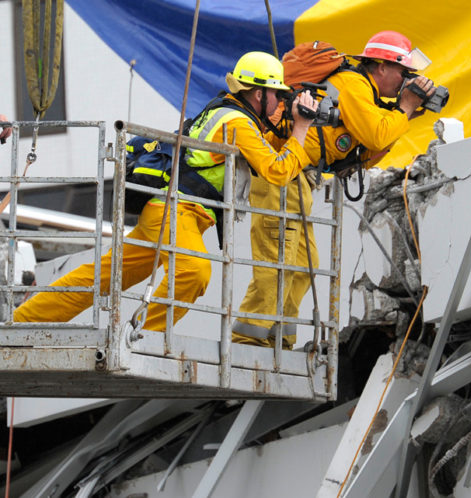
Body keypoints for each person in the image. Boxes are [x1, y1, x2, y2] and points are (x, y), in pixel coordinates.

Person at [14, 52, 318, 331]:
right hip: (178, 211)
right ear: (258, 92)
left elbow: (266, 152)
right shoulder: (237, 122)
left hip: (168, 211)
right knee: (195, 271)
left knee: (102, 276)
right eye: (277, 94)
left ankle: (18, 323)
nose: (280, 102)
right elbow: (278, 171)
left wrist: (290, 127)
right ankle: (143, 334)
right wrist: (302, 127)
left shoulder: (231, 115)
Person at [232, 30, 435, 349]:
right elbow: (378, 135)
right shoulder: (352, 85)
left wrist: (403, 112)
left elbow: (365, 155)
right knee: (279, 257)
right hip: (281, 172)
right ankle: (247, 340)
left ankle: (279, 339)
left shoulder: (365, 95)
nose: (405, 81)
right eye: (403, 72)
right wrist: (405, 108)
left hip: (299, 178)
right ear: (381, 67)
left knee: (304, 264)